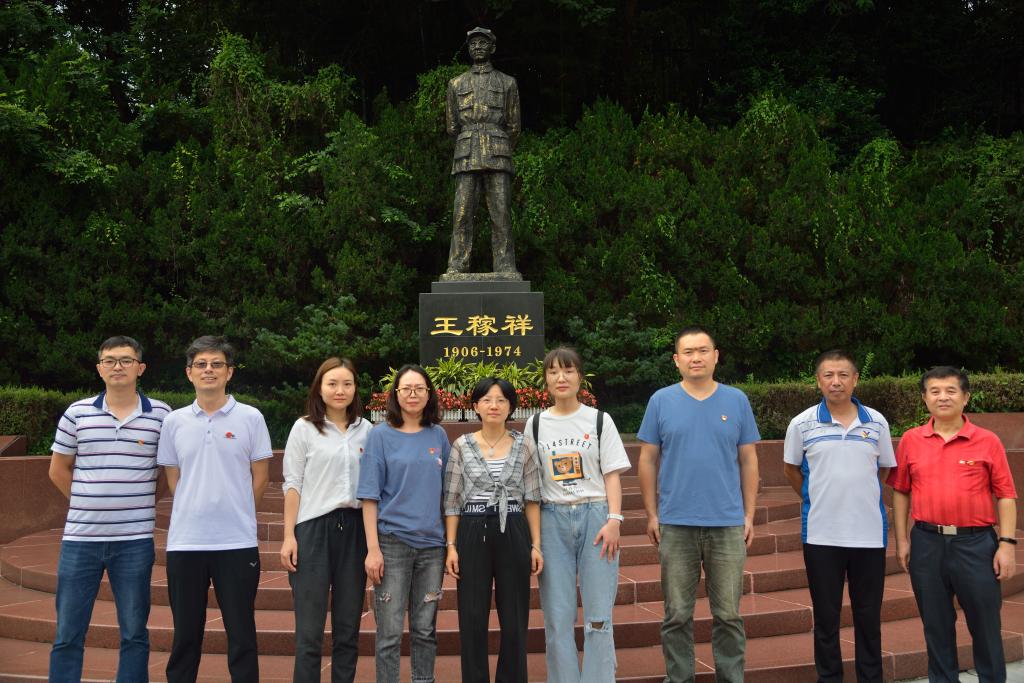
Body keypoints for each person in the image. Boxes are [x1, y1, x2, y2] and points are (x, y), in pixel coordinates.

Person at [636, 326, 760, 683]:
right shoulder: (661, 400)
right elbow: (647, 460)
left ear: (716, 356)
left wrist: (748, 514)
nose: (696, 358)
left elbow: (748, 460)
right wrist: (652, 514)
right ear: (676, 360)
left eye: (703, 350)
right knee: (676, 614)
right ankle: (679, 678)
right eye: (688, 352)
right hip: (676, 523)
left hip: (727, 522)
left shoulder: (736, 400)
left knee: (729, 615)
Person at [47, 335, 170, 683]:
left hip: (134, 541)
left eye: (126, 360)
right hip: (80, 540)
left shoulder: (161, 415)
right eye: (110, 360)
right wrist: (87, 501)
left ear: (140, 368)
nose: (118, 366)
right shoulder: (77, 413)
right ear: (99, 368)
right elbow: (58, 469)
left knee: (134, 632)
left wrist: (140, 501)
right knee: (68, 633)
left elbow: (165, 472)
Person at [888, 366, 1017, 683]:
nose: (942, 397)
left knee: (985, 624)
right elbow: (901, 491)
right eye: (934, 391)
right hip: (927, 543)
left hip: (976, 545)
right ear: (924, 398)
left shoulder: (987, 441)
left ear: (965, 397)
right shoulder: (911, 440)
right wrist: (902, 540)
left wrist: (1007, 544)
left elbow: (1005, 495)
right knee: (936, 625)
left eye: (950, 391)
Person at [157, 336, 272, 683]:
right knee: (185, 635)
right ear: (189, 372)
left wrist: (238, 511)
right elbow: (174, 479)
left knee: (241, 634)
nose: (209, 370)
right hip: (185, 543)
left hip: (237, 543)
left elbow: (261, 477)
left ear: (229, 372)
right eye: (201, 364)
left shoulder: (251, 418)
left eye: (217, 364)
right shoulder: (173, 422)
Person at [783, 350, 896, 683]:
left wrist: (859, 494)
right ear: (818, 381)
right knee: (826, 618)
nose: (836, 382)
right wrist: (816, 496)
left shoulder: (876, 422)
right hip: (821, 535)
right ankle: (829, 678)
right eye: (828, 375)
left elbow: (885, 469)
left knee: (868, 617)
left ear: (855, 379)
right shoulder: (802, 423)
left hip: (869, 535)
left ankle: (870, 678)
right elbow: (791, 470)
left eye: (843, 375)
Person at [526, 347, 631, 683]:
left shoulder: (599, 420)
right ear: (546, 380)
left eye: (568, 370)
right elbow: (531, 485)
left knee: (598, 615)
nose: (561, 377)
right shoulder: (536, 424)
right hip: (551, 519)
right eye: (553, 371)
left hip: (595, 517)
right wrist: (536, 540)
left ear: (580, 377)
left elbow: (612, 474)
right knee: (557, 618)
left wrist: (614, 520)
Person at [443, 377, 543, 683]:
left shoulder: (524, 445)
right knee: (472, 617)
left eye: (501, 400)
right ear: (475, 406)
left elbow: (532, 498)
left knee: (514, 617)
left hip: (513, 527)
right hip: (473, 529)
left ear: (511, 406)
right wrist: (451, 546)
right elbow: (452, 500)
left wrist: (536, 544)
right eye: (486, 400)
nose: (494, 406)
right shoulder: (462, 446)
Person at [280, 357, 373, 683]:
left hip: (355, 531)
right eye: (332, 383)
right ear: (319, 388)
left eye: (347, 383)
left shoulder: (367, 430)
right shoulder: (304, 428)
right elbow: (293, 483)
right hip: (313, 530)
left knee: (348, 628)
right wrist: (289, 536)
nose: (339, 390)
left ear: (355, 389)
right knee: (309, 631)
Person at [356, 364, 451, 683]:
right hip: (392, 543)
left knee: (425, 630)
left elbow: (449, 493)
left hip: (432, 547)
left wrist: (450, 542)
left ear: (429, 394)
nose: (413, 394)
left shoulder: (438, 435)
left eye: (419, 388)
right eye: (406, 389)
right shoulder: (380, 435)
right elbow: (369, 496)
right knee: (389, 632)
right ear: (395, 394)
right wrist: (373, 549)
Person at [444, 26, 521, 276]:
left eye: (483, 43)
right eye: (473, 43)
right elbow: (452, 127)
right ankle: (457, 265)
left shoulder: (508, 83)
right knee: (461, 214)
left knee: (501, 213)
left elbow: (514, 126)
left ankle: (505, 265)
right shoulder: (456, 84)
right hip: (466, 155)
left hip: (498, 154)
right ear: (468, 49)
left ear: (492, 48)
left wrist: (496, 142)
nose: (477, 47)